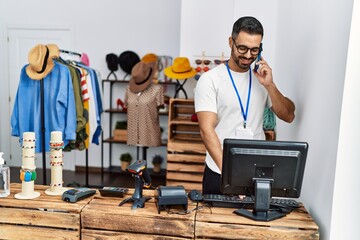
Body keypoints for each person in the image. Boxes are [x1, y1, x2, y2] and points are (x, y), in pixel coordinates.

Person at [194, 16, 295, 194]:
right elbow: (206, 129)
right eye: (242, 48)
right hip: (220, 172)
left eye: (254, 50)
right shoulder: (210, 79)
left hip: (258, 173)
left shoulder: (262, 79)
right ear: (230, 42)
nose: (248, 55)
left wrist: (270, 85)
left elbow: (288, 115)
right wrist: (231, 177)